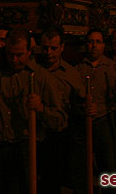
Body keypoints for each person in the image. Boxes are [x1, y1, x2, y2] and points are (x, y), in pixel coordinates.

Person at [0, 27, 65, 194]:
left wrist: (41, 108)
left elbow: (60, 121)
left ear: (29, 52)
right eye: (10, 54)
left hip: (26, 148)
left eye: (19, 55)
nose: (14, 60)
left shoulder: (41, 77)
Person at [71, 29, 116, 191]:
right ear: (87, 45)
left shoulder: (114, 68)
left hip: (104, 119)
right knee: (81, 163)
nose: (94, 45)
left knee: (108, 163)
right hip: (82, 121)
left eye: (98, 42)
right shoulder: (77, 69)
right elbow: (70, 98)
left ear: (103, 45)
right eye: (91, 41)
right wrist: (81, 107)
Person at [36, 26, 84, 193]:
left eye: (53, 48)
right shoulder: (33, 70)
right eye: (45, 48)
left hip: (59, 133)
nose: (48, 52)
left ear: (62, 48)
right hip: (35, 131)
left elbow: (80, 103)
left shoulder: (71, 74)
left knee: (53, 180)